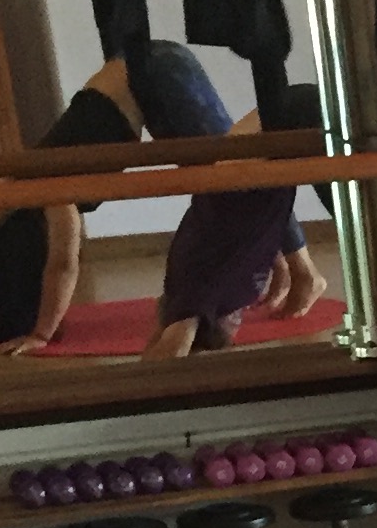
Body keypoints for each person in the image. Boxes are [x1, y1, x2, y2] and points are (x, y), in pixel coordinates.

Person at [0, 39, 242, 352]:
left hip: (151, 72)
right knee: (237, 181)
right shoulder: (23, 197)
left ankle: (297, 271)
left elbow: (63, 266)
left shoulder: (44, 193)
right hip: (145, 71)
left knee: (238, 177)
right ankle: (291, 269)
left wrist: (41, 334)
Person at [141, 78, 330, 358]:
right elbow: (255, 234)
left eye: (233, 328)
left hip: (288, 123)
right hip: (275, 128)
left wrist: (149, 390)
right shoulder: (216, 285)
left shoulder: (202, 295)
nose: (239, 327)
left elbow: (171, 344)